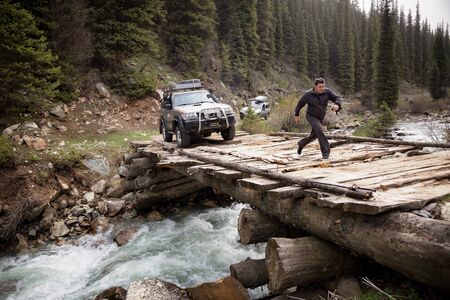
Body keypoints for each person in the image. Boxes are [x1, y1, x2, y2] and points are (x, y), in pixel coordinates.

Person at [294, 78, 342, 160]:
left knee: (315, 134)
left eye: (323, 86)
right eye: (320, 87)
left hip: (320, 117)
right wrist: (297, 115)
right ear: (315, 86)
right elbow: (299, 105)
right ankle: (326, 152)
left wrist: (337, 104)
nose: (322, 88)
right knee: (320, 130)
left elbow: (337, 98)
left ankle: (301, 143)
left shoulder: (327, 92)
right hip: (311, 116)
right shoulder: (307, 94)